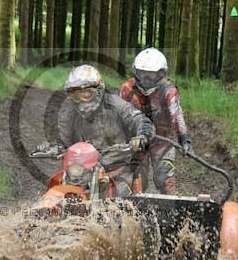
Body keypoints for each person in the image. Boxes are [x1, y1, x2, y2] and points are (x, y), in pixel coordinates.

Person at [36, 64, 155, 197]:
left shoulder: (116, 105)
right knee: (60, 181)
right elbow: (63, 140)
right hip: (86, 167)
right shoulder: (69, 113)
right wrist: (54, 146)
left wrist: (142, 136)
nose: (81, 99)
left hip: (123, 167)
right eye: (76, 95)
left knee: (118, 193)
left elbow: (140, 120)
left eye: (87, 94)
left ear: (98, 91)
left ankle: (129, 214)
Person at [120, 47, 192, 195]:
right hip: (137, 142)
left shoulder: (168, 91)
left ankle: (172, 214)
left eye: (151, 75)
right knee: (138, 181)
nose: (146, 79)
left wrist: (184, 139)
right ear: (136, 72)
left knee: (163, 179)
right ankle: (134, 214)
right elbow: (118, 115)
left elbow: (176, 115)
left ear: (160, 74)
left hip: (163, 142)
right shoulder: (128, 89)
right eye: (143, 73)